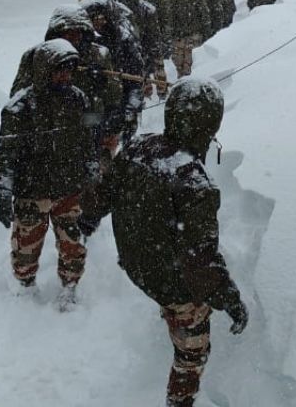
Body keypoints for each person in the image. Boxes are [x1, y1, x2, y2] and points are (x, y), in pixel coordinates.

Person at [79, 78, 249, 407]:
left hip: (137, 266)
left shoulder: (139, 147)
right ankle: (180, 400)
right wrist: (230, 299)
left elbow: (98, 199)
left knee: (173, 293)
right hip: (171, 282)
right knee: (192, 353)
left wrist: (89, 209)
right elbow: (201, 261)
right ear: (209, 122)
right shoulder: (195, 183)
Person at [0, 39, 94, 308]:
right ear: (44, 70)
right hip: (31, 191)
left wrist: (92, 167)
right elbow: (5, 153)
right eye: (60, 70)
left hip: (69, 188)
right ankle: (26, 287)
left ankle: (70, 286)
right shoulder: (19, 108)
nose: (65, 76)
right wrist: (3, 190)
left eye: (70, 70)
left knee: (73, 244)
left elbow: (89, 138)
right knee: (26, 247)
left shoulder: (79, 99)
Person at [11, 5, 123, 162]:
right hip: (49, 120)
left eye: (78, 32)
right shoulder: (37, 55)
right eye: (68, 33)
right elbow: (18, 94)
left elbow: (114, 96)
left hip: (87, 118)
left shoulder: (98, 54)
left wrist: (102, 82)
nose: (74, 37)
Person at [82, 0, 145, 144]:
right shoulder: (81, 43)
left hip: (120, 107)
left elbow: (136, 79)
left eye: (101, 17)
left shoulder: (123, 40)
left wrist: (130, 109)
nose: (98, 23)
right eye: (93, 19)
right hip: (91, 112)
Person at [126, 0, 171, 98]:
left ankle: (163, 95)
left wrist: (165, 38)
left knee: (159, 70)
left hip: (155, 37)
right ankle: (146, 96)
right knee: (141, 70)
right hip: (138, 38)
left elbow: (165, 17)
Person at [163, 0, 210, 79]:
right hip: (176, 39)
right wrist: (167, 38)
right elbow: (165, 18)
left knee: (193, 67)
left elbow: (204, 13)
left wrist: (206, 33)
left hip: (193, 36)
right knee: (179, 68)